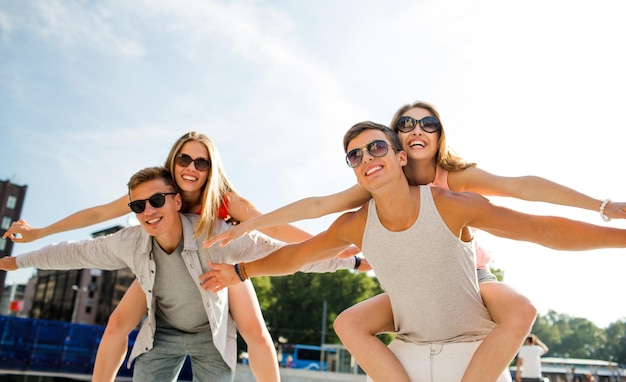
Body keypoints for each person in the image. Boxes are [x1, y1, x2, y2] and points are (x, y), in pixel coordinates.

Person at [204, 101, 626, 381]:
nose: (416, 129)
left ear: (414, 148)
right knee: (348, 322)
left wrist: (602, 208)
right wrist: (245, 253)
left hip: (469, 279)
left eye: (428, 123)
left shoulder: (456, 187)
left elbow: (529, 203)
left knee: (520, 307)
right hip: (408, 289)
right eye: (405, 124)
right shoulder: (367, 197)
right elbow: (310, 220)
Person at [2, 132, 361, 382]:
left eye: (201, 163)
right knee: (116, 324)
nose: (191, 168)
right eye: (184, 159)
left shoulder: (224, 200)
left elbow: (275, 232)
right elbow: (97, 217)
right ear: (173, 163)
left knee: (255, 331)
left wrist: (333, 246)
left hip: (218, 261)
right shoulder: (155, 190)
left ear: (211, 168)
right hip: (161, 266)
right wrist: (39, 233)